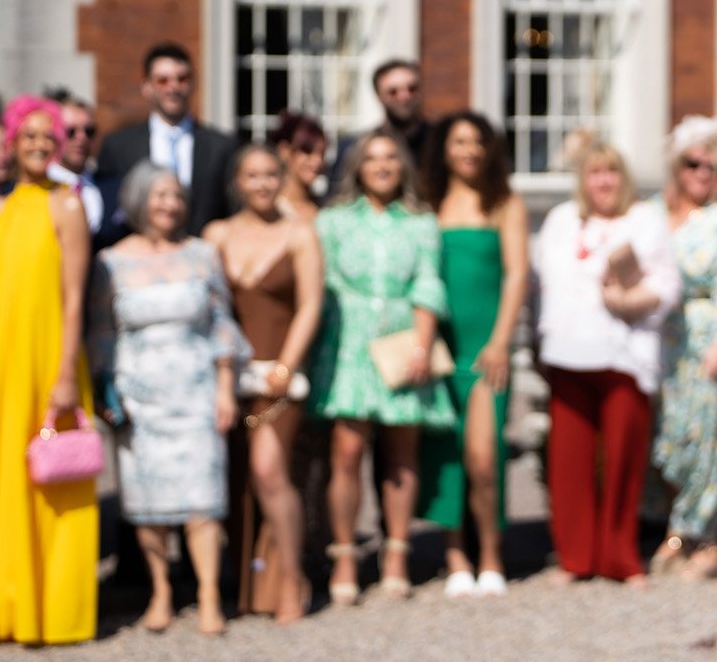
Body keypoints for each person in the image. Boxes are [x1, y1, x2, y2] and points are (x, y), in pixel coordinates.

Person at [89, 160, 251, 636]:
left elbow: (222, 323)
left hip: (196, 391)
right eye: (160, 195)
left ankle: (208, 593)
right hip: (139, 396)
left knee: (203, 499)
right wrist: (105, 391)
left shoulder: (202, 254)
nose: (170, 204)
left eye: (177, 196)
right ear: (140, 200)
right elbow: (101, 334)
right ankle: (160, 589)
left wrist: (226, 387)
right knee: (147, 503)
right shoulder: (111, 261)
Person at [0, 96, 99, 645]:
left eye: (49, 136)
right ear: (12, 144)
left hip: (49, 362)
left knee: (52, 485)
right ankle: (2, 607)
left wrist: (64, 375)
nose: (40, 144)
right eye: (30, 135)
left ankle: (53, 611)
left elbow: (74, 298)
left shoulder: (68, 205)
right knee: (2, 481)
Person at [308, 131, 456, 605]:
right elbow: (322, 283)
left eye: (391, 157)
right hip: (348, 344)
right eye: (372, 158)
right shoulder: (332, 221)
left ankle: (396, 554)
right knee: (347, 452)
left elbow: (428, 282)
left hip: (401, 339)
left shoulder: (420, 222)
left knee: (400, 454)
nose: (382, 165)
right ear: (358, 167)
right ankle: (345, 556)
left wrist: (423, 343)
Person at [533, 134, 679, 587]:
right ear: (583, 179)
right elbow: (540, 284)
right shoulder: (561, 220)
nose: (604, 181)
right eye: (595, 172)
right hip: (568, 352)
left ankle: (620, 556)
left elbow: (667, 283)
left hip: (623, 354)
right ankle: (575, 556)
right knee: (569, 460)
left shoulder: (645, 219)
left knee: (623, 458)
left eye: (612, 171)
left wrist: (632, 300)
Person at [204, 144, 323, 623]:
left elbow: (310, 304)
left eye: (271, 174)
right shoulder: (217, 234)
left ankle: (293, 576)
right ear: (238, 181)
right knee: (236, 479)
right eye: (252, 176)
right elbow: (209, 305)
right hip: (230, 376)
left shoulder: (300, 234)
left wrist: (287, 366)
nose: (262, 184)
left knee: (269, 470)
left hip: (280, 376)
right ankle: (250, 581)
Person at [415, 111, 529, 598]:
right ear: (444, 149)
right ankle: (455, 554)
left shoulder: (505, 203)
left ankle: (491, 554)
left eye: (477, 142)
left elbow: (517, 274)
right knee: (446, 454)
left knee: (484, 457)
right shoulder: (428, 204)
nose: (469, 150)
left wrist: (501, 340)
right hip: (440, 347)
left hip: (485, 350)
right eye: (459, 141)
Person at [648, 116, 717, 581]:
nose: (702, 173)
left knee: (705, 434)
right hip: (661, 337)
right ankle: (677, 524)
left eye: (710, 165)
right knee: (671, 436)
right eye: (692, 164)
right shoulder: (654, 213)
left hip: (706, 332)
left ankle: (705, 534)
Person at [96, 42, 240, 236]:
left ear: (192, 84)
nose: (173, 87)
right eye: (163, 81)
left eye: (182, 79)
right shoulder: (118, 146)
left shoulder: (222, 147)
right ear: (147, 87)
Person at [332, 60, 430, 184]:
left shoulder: (440, 142)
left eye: (412, 89)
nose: (404, 97)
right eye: (393, 92)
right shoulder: (355, 148)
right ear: (379, 96)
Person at [46, 92, 106, 240]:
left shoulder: (110, 185)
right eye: (70, 131)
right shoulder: (39, 186)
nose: (81, 137)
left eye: (89, 131)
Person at [271, 110, 329, 223]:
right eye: (307, 151)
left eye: (322, 154)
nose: (317, 161)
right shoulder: (272, 210)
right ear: (284, 151)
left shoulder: (325, 207)